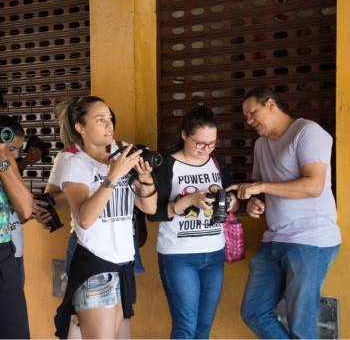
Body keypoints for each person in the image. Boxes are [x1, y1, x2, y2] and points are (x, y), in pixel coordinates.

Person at [227, 86, 341, 339]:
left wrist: (263, 187)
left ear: (270, 104)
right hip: (274, 240)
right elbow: (264, 190)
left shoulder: (307, 132)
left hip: (310, 241)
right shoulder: (261, 145)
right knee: (254, 312)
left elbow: (313, 186)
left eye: (252, 112)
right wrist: (256, 202)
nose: (249, 120)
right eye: (245, 116)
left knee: (301, 326)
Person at [53, 96, 157, 339]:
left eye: (110, 119)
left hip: (123, 265)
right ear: (80, 127)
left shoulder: (122, 153)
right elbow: (85, 219)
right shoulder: (74, 162)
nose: (109, 125)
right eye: (100, 120)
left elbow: (149, 207)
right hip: (95, 267)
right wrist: (113, 175)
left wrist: (145, 177)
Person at [147, 106, 239, 339]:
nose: (205, 149)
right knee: (185, 327)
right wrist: (190, 200)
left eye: (212, 143)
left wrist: (230, 203)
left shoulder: (216, 163)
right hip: (179, 256)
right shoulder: (167, 165)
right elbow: (152, 212)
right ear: (185, 135)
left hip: (214, 253)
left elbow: (232, 199)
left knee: (203, 327)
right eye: (199, 143)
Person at [0, 116, 33, 338]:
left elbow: (25, 208)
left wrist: (3, 157)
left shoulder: (5, 165)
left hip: (3, 252)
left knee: (14, 331)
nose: (15, 155)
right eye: (12, 149)